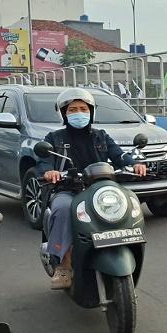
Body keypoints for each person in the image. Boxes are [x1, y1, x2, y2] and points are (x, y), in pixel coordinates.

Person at [37, 88, 147, 289]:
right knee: (62, 209)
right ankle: (64, 264)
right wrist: (49, 172)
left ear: (91, 112)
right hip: (69, 190)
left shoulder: (101, 136)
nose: (78, 113)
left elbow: (119, 156)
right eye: (72, 110)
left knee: (128, 201)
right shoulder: (55, 138)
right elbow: (44, 161)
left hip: (99, 190)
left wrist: (134, 164)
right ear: (64, 114)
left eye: (83, 108)